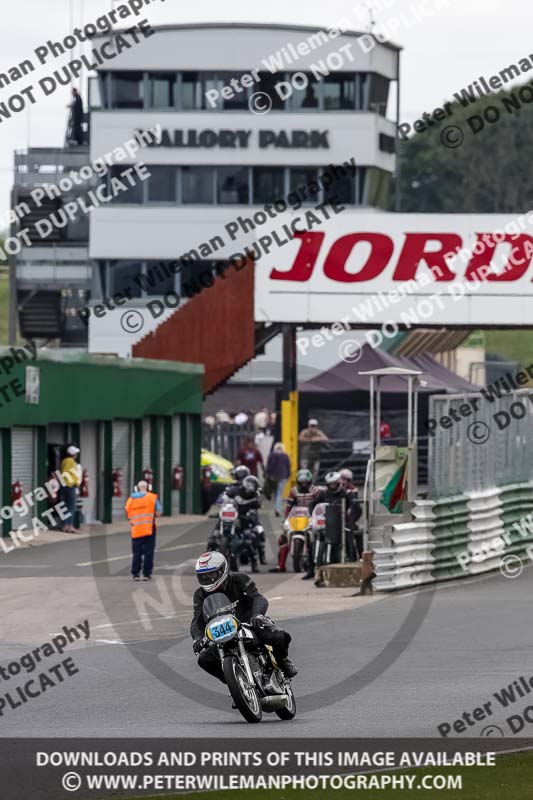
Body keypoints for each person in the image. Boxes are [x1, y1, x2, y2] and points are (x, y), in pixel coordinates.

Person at [191, 551, 297, 682]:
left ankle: (282, 661)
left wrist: (257, 615)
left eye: (211, 574)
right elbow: (197, 620)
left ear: (222, 570)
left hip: (250, 623)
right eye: (203, 576)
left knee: (280, 636)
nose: (207, 579)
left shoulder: (239, 578)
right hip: (222, 631)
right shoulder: (199, 594)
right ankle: (237, 684)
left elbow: (259, 598)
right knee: (204, 659)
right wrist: (197, 639)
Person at [303, 471, 361, 579]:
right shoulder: (324, 494)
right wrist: (312, 515)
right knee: (312, 540)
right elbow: (312, 504)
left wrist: (350, 520)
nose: (332, 486)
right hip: (324, 523)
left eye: (334, 484)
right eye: (330, 484)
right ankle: (311, 569)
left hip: (341, 525)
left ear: (338, 483)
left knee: (350, 539)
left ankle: (352, 563)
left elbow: (357, 509)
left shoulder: (347, 494)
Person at [270, 468, 318, 574]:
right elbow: (288, 507)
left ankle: (318, 562)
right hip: (296, 518)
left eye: (306, 482)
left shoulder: (316, 491)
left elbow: (320, 505)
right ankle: (280, 565)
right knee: (283, 538)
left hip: (312, 518)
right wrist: (286, 519)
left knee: (319, 537)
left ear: (310, 481)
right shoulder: (293, 491)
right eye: (302, 482)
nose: (304, 484)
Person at [222, 475, 266, 567]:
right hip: (234, 514)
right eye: (248, 485)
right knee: (221, 524)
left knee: (255, 534)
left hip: (247, 516)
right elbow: (226, 495)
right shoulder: (237, 490)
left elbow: (258, 504)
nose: (249, 488)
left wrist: (255, 506)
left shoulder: (256, 495)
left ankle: (258, 556)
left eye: (252, 486)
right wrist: (224, 500)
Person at [125, 479, 161, 581]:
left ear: (137, 488)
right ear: (148, 487)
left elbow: (127, 511)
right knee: (149, 552)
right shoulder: (152, 497)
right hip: (150, 528)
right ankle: (146, 574)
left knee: (137, 553)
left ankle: (135, 574)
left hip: (136, 529)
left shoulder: (131, 499)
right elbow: (158, 512)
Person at [339, 468, 364, 560]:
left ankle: (358, 555)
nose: (343, 481)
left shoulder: (353, 490)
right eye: (341, 479)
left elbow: (355, 506)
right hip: (336, 516)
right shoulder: (335, 489)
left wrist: (350, 519)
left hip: (349, 516)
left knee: (355, 532)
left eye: (345, 479)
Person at [59, 445, 82, 533]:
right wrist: (72, 483)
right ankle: (69, 526)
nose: (77, 454)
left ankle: (65, 525)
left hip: (66, 486)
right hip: (70, 486)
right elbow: (66, 473)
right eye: (76, 453)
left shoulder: (65, 461)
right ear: (73, 454)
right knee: (71, 507)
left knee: (66, 506)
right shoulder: (70, 461)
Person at [265, 442, 291, 517]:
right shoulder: (285, 456)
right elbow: (288, 466)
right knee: (280, 493)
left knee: (276, 493)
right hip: (283, 476)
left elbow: (269, 466)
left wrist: (268, 474)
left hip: (273, 476)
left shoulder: (272, 455)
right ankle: (277, 508)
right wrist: (288, 475)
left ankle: (277, 507)